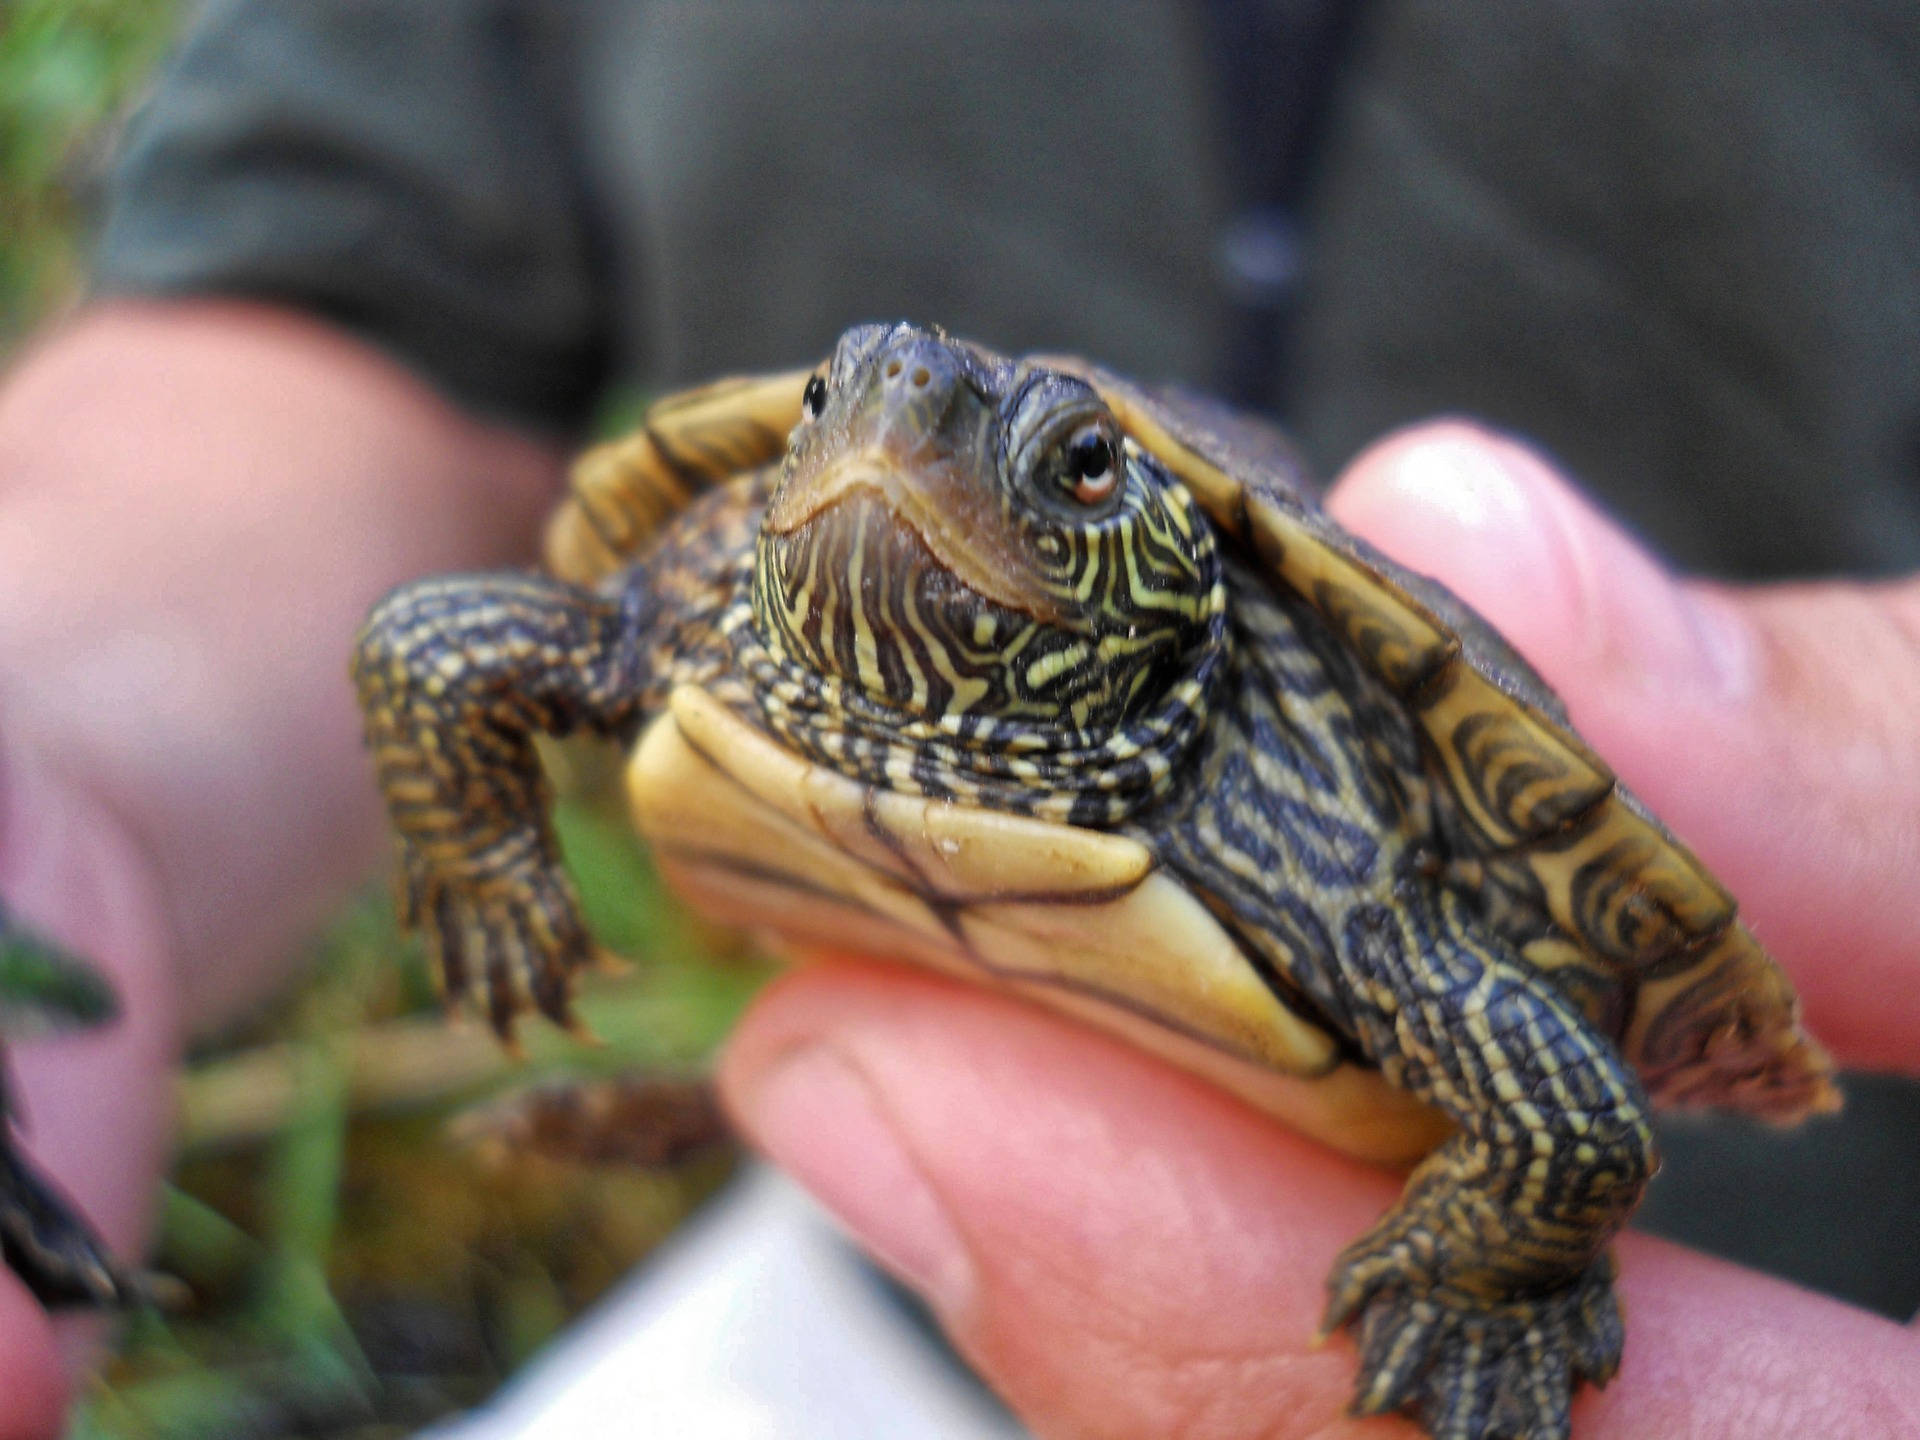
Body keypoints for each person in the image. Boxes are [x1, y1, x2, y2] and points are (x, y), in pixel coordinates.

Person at [2, 3, 1916, 1437]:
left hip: (1756, 1307)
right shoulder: (720, 589)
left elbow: (1571, 1114)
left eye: (1069, 472)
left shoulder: (1300, 758)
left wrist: (1493, 1268)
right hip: (855, 1245)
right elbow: (360, 382)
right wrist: (59, 749)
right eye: (847, 404)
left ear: (1161, 564)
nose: (890, 436)